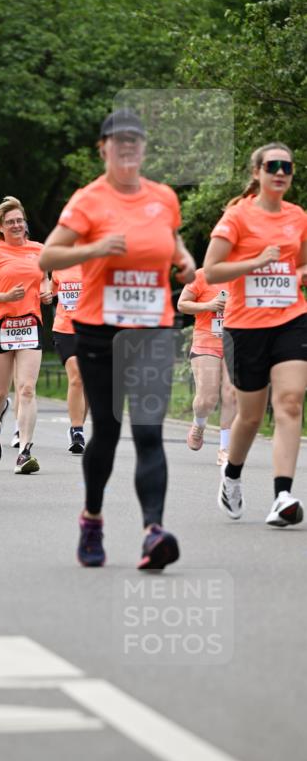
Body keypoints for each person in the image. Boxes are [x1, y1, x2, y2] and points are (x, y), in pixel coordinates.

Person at [40, 108, 196, 569]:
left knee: (149, 432)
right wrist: (94, 249)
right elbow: (47, 254)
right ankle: (92, 517)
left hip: (151, 326)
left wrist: (184, 261)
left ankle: (153, 533)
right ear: (103, 148)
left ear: (144, 149)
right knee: (106, 431)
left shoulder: (163, 197)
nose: (128, 147)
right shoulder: (89, 200)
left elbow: (171, 239)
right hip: (98, 328)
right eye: (119, 140)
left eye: (136, 141)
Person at [203, 141, 307, 526]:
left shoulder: (298, 217)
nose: (280, 172)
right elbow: (211, 271)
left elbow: (301, 264)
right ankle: (231, 476)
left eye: (287, 167)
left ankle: (282, 495)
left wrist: (298, 274)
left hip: (291, 318)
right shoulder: (237, 217)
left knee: (291, 401)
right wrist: (256, 261)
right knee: (249, 417)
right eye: (273, 166)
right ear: (257, 173)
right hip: (245, 325)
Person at [0, 196, 52, 474]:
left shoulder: (39, 249)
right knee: (0, 392)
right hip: (1, 323)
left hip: (29, 323)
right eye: (10, 222)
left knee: (26, 388)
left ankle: (25, 451)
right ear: (0, 227)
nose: (16, 225)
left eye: (19, 221)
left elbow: (45, 277)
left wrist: (47, 290)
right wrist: (6, 296)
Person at [177, 269, 236, 464]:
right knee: (207, 399)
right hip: (207, 341)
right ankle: (199, 424)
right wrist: (209, 305)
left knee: (232, 393)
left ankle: (225, 448)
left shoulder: (246, 276)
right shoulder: (203, 275)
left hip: (237, 342)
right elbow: (182, 304)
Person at [51, 263, 89, 454]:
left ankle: (79, 425)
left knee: (88, 382)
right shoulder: (59, 266)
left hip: (91, 330)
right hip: (64, 330)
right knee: (77, 377)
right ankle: (77, 431)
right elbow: (51, 293)